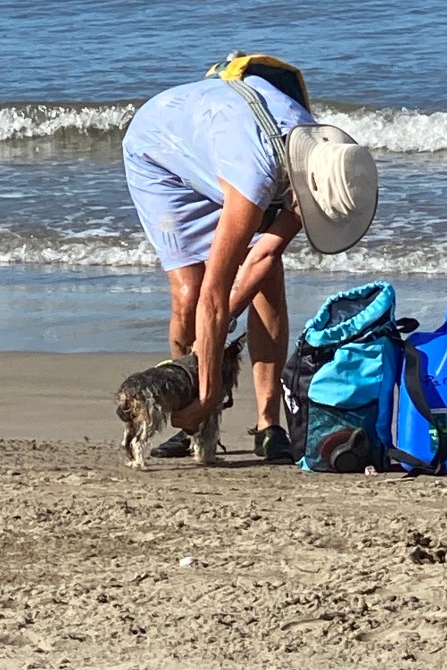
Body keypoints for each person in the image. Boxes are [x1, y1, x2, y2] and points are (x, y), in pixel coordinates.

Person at [121, 52, 378, 462]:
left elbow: (263, 256)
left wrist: (221, 326)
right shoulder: (255, 175)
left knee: (268, 279)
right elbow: (213, 295)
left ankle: (268, 425)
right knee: (190, 291)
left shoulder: (328, 159)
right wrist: (209, 391)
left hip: (228, 144)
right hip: (161, 149)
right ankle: (193, 414)